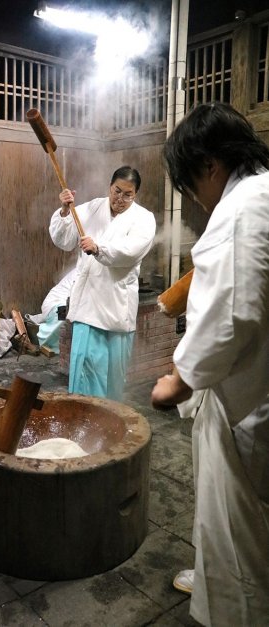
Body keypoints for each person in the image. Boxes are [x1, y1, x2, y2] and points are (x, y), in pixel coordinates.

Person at [151, 103, 269, 626]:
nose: (195, 200)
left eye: (189, 183)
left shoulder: (241, 210)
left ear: (209, 165)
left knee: (237, 527)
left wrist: (180, 380)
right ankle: (215, 571)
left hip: (247, 401)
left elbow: (231, 315)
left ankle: (236, 605)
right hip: (257, 380)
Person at [49, 166, 156, 401]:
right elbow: (64, 239)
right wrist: (66, 211)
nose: (120, 199)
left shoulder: (144, 219)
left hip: (116, 307)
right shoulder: (93, 208)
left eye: (127, 194)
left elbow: (132, 251)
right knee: (83, 372)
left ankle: (108, 423)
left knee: (112, 378)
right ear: (110, 187)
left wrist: (99, 248)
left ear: (135, 194)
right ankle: (82, 418)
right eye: (117, 191)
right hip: (88, 305)